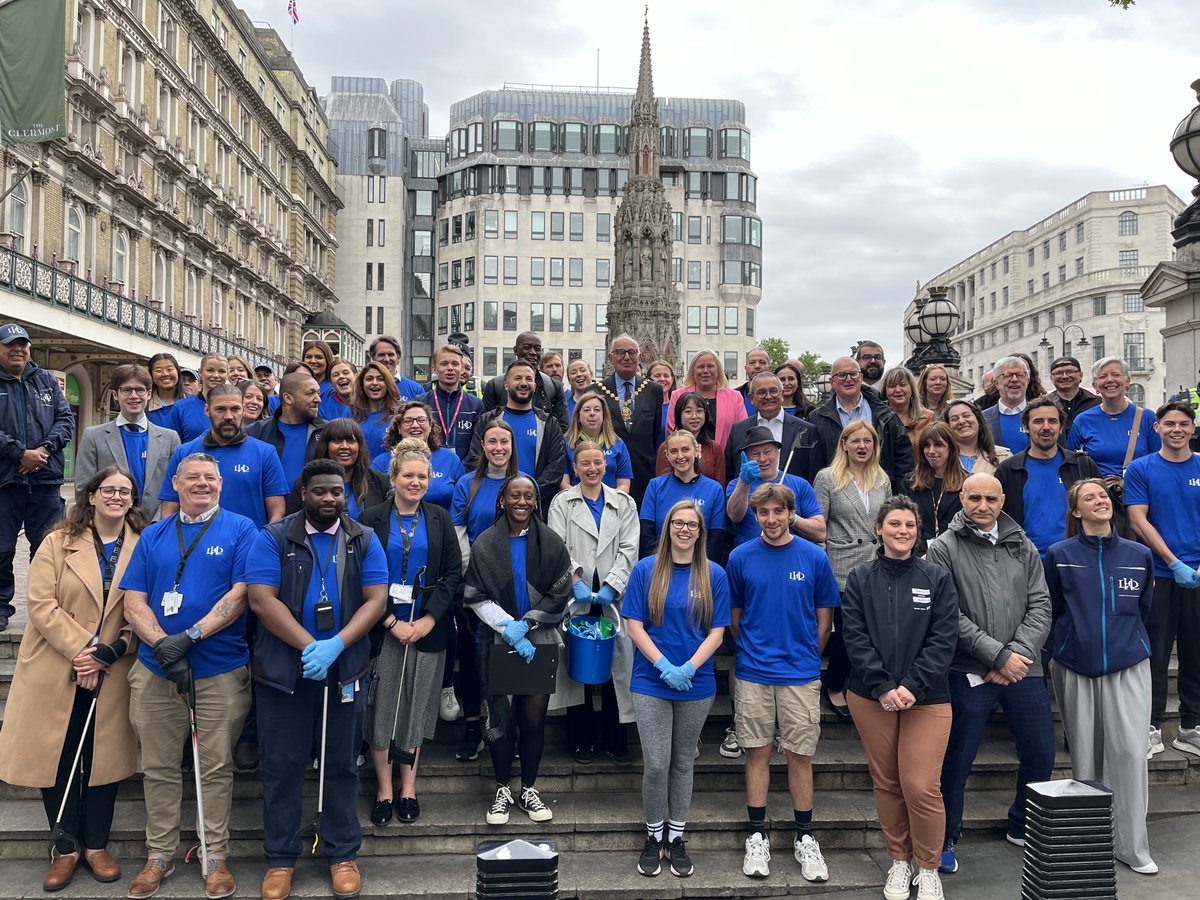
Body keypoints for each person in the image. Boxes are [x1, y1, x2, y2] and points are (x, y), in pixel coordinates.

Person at [245, 458, 389, 900]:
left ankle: (342, 853)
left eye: (336, 492)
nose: (329, 498)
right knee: (282, 767)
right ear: (302, 493)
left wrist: (336, 646)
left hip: (345, 670)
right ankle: (280, 860)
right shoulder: (272, 537)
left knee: (342, 765)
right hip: (285, 674)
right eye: (320, 491)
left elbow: (376, 599)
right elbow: (261, 600)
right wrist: (311, 646)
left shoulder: (363, 538)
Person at [119, 453, 258, 900]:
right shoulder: (154, 534)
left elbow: (240, 596)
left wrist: (191, 637)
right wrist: (163, 644)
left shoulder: (241, 530)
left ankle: (213, 855)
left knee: (215, 766)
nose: (202, 484)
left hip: (219, 668)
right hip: (155, 670)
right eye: (192, 477)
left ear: (222, 484)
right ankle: (158, 853)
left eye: (210, 478)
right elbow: (133, 601)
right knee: (158, 767)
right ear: (175, 484)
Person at [0, 467, 145, 892]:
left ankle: (96, 846)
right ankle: (65, 847)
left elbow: (144, 607)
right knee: (61, 754)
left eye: (125, 491)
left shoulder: (143, 546)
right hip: (57, 663)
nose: (117, 497)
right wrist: (84, 652)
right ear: (92, 496)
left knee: (103, 759)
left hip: (113, 666)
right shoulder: (57, 541)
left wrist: (111, 651)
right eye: (109, 490)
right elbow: (40, 603)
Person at [927, 472, 1054, 874]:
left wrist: (1015, 654)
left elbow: (1041, 604)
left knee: (1041, 752)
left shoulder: (1022, 543)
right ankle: (945, 837)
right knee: (957, 760)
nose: (983, 506)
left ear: (1003, 501)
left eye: (991, 499)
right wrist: (996, 655)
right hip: (968, 670)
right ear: (961, 498)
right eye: (975, 498)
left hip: (1023, 670)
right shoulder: (943, 547)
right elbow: (948, 614)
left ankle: (1022, 824)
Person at [841, 495, 958, 900]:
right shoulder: (859, 579)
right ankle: (899, 861)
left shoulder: (937, 578)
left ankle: (928, 866)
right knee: (888, 782)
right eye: (894, 524)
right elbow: (854, 638)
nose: (902, 531)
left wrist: (910, 686)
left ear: (918, 531)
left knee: (921, 784)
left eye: (909, 525)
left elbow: (944, 639)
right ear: (879, 530)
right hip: (872, 697)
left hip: (927, 698)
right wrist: (883, 687)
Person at [726, 483, 840, 883]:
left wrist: (808, 654)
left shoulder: (813, 557)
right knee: (756, 753)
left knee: (799, 756)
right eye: (764, 513)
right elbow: (736, 618)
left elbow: (824, 619)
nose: (771, 519)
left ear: (791, 512)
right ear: (755, 516)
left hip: (801, 674)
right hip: (755, 673)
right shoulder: (740, 557)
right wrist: (755, 651)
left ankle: (805, 836)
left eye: (779, 512)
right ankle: (757, 834)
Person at [1045, 478, 1157, 875]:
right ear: (1075, 511)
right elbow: (1054, 609)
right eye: (1088, 497)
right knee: (1086, 762)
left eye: (1103, 495)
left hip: (1129, 666)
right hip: (1076, 665)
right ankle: (1090, 846)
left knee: (1129, 754)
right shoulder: (1058, 555)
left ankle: (1132, 846)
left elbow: (1144, 608)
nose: (1100, 501)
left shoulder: (1139, 554)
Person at [623, 499, 730, 878]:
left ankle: (677, 835)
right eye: (678, 523)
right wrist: (664, 665)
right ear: (668, 528)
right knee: (656, 762)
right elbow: (634, 625)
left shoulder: (713, 574)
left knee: (683, 761)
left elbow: (718, 632)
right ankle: (654, 836)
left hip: (696, 682)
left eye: (692, 525)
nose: (684, 530)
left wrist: (687, 667)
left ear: (701, 532)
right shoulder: (645, 570)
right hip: (651, 681)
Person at [358, 441, 462, 825]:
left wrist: (430, 619)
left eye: (423, 476)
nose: (416, 482)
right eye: (408, 475)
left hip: (425, 630)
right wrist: (390, 621)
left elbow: (452, 575)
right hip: (381, 628)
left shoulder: (439, 518)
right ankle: (384, 790)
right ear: (394, 477)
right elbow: (360, 576)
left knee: (416, 707)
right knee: (383, 709)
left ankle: (408, 788)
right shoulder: (370, 519)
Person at [462, 475, 571, 826]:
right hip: (497, 640)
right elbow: (476, 594)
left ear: (536, 502)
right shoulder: (485, 543)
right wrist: (509, 627)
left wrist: (530, 624)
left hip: (539, 640)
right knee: (502, 718)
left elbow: (561, 590)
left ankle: (528, 787)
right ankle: (502, 788)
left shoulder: (552, 543)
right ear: (502, 501)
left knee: (533, 718)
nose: (522, 501)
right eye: (515, 495)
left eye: (529, 495)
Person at [547, 442, 639, 764]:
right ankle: (581, 740)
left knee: (616, 667)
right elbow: (557, 546)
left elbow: (630, 547)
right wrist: (577, 581)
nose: (591, 468)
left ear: (606, 465)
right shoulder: (562, 502)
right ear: (575, 467)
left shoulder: (624, 502)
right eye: (584, 463)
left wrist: (613, 585)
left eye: (597, 462)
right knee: (578, 667)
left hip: (614, 595)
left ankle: (617, 741)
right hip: (578, 594)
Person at [1123, 401, 1200, 760]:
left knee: (1195, 653)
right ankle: (1150, 727)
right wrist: (1173, 561)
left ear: (1192, 428)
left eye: (1184, 424)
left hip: (1198, 575)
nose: (1176, 430)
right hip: (1160, 574)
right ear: (1157, 428)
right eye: (1169, 424)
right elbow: (1138, 520)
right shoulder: (1142, 468)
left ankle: (1190, 727)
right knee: (1153, 655)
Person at [450, 418, 523, 761]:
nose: (498, 448)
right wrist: (471, 581)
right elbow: (459, 533)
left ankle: (508, 730)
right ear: (483, 446)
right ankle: (472, 729)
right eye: (492, 441)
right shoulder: (468, 484)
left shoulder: (524, 483)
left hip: (512, 588)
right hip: (474, 586)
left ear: (512, 447)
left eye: (504, 442)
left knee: (508, 659)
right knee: (470, 660)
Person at [813, 421, 893, 719]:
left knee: (872, 633)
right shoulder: (827, 478)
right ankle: (834, 685)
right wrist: (822, 571)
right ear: (844, 444)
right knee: (847, 635)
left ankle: (861, 686)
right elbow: (818, 526)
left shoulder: (881, 479)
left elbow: (885, 522)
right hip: (840, 567)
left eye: (868, 442)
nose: (862, 447)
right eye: (856, 441)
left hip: (875, 566)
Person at [0, 323, 74, 631]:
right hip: (5, 481)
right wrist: (20, 454)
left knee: (47, 546)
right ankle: (1, 607)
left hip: (45, 480)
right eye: (10, 345)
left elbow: (66, 420)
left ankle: (45, 606)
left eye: (23, 344)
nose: (18, 349)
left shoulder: (45, 380)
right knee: (2, 547)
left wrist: (42, 450)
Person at [158, 384, 288, 529]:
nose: (228, 416)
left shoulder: (265, 453)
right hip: (192, 547)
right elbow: (169, 510)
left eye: (235, 409)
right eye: (220, 409)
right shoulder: (183, 453)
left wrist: (262, 544)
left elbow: (277, 512)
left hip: (249, 547)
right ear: (207, 410)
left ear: (243, 410)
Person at [995, 397, 1101, 558]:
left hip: (1077, 560)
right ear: (1026, 427)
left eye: (1052, 421)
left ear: (1061, 427)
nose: (1046, 427)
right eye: (1038, 421)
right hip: (1026, 562)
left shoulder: (1081, 465)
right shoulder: (1009, 470)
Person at [75, 364, 180, 521]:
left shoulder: (170, 438)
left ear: (149, 394)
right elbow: (83, 488)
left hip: (155, 526)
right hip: (108, 525)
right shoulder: (93, 436)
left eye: (140, 390)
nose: (134, 395)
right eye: (126, 390)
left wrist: (157, 524)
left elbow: (175, 487)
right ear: (115, 395)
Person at [469, 359, 567, 511]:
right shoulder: (488, 420)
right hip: (492, 503)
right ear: (506, 385)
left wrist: (529, 495)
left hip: (534, 506)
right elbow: (476, 457)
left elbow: (555, 466)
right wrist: (501, 495)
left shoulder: (548, 423)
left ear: (534, 385)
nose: (523, 383)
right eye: (517, 378)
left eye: (529, 379)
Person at [809, 357, 913, 494]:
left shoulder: (886, 415)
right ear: (832, 382)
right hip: (836, 494)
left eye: (853, 374)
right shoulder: (817, 418)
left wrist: (900, 496)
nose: (848, 379)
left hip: (880, 491)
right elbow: (813, 465)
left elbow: (904, 459)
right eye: (841, 375)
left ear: (861, 377)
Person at [725, 426, 824, 549]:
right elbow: (734, 516)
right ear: (747, 457)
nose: (762, 459)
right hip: (751, 557)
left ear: (778, 453)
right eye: (755, 454)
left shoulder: (800, 484)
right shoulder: (736, 485)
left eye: (767, 452)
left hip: (791, 557)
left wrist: (792, 518)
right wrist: (744, 482)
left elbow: (820, 533)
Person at [594, 334, 664, 507]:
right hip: (609, 472)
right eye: (620, 352)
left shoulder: (653, 389)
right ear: (610, 357)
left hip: (643, 471)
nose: (626, 357)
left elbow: (654, 434)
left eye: (632, 352)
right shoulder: (596, 390)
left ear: (639, 357)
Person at [725, 372, 824, 487]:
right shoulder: (738, 430)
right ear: (751, 398)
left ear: (781, 394)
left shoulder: (805, 430)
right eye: (762, 392)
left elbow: (815, 476)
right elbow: (730, 473)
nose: (768, 396)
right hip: (749, 500)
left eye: (773, 391)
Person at [1066, 356, 1160, 476]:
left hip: (1136, 490)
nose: (1110, 380)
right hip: (1097, 492)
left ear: (1127, 381)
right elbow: (1070, 464)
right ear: (1095, 385)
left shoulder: (1147, 418)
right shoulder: (1083, 420)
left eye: (1116, 375)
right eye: (1103, 376)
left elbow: (1157, 461)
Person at [641, 430, 727, 561]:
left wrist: (702, 570)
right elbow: (647, 535)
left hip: (700, 569)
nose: (680, 456)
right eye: (674, 451)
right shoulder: (655, 486)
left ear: (697, 451)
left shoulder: (714, 489)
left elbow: (716, 540)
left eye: (685, 449)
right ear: (667, 455)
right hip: (661, 567)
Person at [287, 418, 391, 519]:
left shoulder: (380, 482)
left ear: (359, 447)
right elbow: (292, 524)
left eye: (351, 441)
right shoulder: (304, 482)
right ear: (325, 446)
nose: (345, 446)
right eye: (337, 441)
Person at [373, 401, 465, 510]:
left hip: (442, 524)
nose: (415, 425)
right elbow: (374, 504)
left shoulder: (450, 459)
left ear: (430, 425)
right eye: (408, 421)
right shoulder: (381, 462)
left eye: (421, 420)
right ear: (399, 427)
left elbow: (462, 500)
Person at [248, 372, 327, 488]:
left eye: (318, 393)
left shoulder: (327, 431)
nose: (318, 399)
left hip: (311, 506)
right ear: (288, 398)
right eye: (310, 393)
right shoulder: (255, 432)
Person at [482, 332, 569, 432]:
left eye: (537, 349)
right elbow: (486, 426)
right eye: (527, 347)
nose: (533, 352)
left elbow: (562, 429)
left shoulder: (554, 387)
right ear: (515, 350)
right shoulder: (494, 386)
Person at [903, 422, 966, 554]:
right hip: (918, 556)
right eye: (926, 446)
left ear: (951, 448)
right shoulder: (909, 483)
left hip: (956, 555)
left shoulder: (968, 483)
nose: (931, 451)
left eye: (938, 445)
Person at [665, 349, 748, 449]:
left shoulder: (735, 397)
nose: (705, 371)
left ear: (718, 370)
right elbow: (672, 431)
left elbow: (742, 432)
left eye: (710, 366)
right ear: (693, 371)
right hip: (686, 460)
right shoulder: (678, 395)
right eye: (700, 367)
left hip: (725, 460)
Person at [419, 344, 483, 462]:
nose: (450, 368)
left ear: (462, 368)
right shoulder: (420, 402)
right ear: (434, 369)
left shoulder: (476, 405)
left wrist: (462, 471)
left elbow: (477, 446)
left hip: (463, 474)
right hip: (428, 472)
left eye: (455, 364)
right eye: (444, 364)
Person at [561, 391, 634, 494]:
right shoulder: (566, 443)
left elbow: (624, 485)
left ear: (604, 415)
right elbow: (563, 483)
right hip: (576, 504)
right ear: (578, 415)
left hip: (611, 505)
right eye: (586, 410)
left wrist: (607, 502)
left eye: (597, 410)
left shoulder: (618, 444)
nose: (592, 413)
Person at [657, 392, 726, 485]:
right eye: (688, 412)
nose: (694, 416)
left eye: (699, 411)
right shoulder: (666, 447)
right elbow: (661, 485)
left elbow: (720, 485)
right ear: (678, 414)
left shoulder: (715, 448)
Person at [169, 355, 230, 442]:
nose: (216, 375)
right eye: (210, 370)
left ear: (227, 374)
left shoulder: (235, 408)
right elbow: (173, 445)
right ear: (200, 372)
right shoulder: (180, 407)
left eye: (221, 371)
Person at [350, 361, 402, 461]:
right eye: (369, 379)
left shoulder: (399, 415)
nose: (374, 383)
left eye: (380, 379)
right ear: (362, 384)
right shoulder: (350, 412)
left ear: (388, 383)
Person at [944, 399, 1011, 474]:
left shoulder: (1003, 456)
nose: (961, 421)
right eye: (954, 419)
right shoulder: (942, 458)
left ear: (978, 420)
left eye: (966, 416)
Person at [981, 356, 1032, 454]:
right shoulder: (982, 419)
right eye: (1007, 375)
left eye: (1020, 375)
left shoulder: (1044, 416)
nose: (1014, 379)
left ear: (1027, 381)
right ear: (996, 383)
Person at [881, 367, 935, 452]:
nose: (898, 390)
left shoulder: (928, 417)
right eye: (892, 386)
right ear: (885, 391)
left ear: (912, 389)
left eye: (903, 385)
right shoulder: (879, 419)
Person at [1044, 355, 1100, 436]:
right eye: (1058, 373)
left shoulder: (1096, 403)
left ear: (1081, 375)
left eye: (1070, 371)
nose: (1065, 376)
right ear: (1051, 378)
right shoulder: (1044, 405)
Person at [370, 335, 426, 401]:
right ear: (373, 358)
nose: (387, 359)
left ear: (398, 358)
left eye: (391, 354)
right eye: (381, 355)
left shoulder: (416, 390)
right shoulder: (364, 388)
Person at [147, 352, 187, 428]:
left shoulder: (191, 404)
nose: (165, 374)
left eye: (169, 369)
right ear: (151, 375)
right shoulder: (144, 405)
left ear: (178, 372)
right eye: (158, 371)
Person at [735, 347, 772, 416]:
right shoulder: (734, 397)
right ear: (746, 368)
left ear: (770, 368)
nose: (757, 366)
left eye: (762, 362)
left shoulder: (778, 396)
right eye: (752, 363)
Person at [647, 360, 677, 435]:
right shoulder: (642, 407)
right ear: (648, 379)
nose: (662, 379)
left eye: (666, 376)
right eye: (657, 376)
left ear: (672, 380)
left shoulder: (678, 407)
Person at [565, 358, 594, 422]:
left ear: (591, 374)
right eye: (573, 372)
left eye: (582, 370)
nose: (579, 374)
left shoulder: (603, 401)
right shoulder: (564, 405)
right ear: (569, 379)